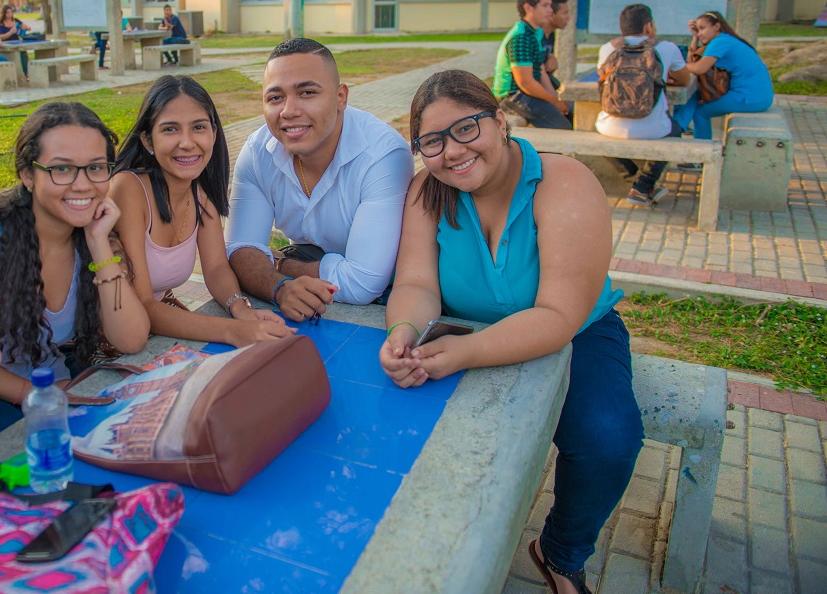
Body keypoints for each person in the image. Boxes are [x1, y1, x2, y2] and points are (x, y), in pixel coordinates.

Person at [381, 68, 642, 594]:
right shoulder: (426, 192)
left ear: (500, 122)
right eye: (431, 141)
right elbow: (414, 282)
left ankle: (560, 553)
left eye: (466, 129)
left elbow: (557, 315)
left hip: (575, 333)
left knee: (607, 438)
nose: (451, 151)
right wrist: (404, 330)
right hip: (464, 331)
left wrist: (467, 351)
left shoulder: (563, 180)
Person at [0, 102, 149, 434]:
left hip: (53, 404)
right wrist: (37, 396)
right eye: (61, 169)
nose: (82, 185)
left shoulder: (93, 240)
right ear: (27, 175)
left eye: (96, 168)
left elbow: (132, 339)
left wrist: (97, 241)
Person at [226, 38, 415, 317]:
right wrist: (280, 287)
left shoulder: (383, 155)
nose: (289, 111)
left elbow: (364, 284)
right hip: (307, 277)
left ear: (341, 97)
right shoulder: (258, 151)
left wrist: (278, 265)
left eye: (307, 93)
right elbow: (238, 251)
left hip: (387, 299)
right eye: (275, 98)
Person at [112, 76, 293, 347]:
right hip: (107, 338)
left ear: (214, 134)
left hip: (153, 332)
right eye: (170, 129)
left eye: (198, 127)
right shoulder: (128, 189)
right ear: (148, 141)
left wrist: (240, 309)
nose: (187, 142)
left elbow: (217, 268)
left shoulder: (199, 195)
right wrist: (233, 331)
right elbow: (143, 303)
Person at [595, 4, 691, 206]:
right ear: (649, 26)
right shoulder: (666, 48)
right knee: (675, 131)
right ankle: (642, 185)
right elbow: (685, 80)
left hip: (610, 126)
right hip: (653, 128)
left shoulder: (607, 49)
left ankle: (637, 183)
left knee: (595, 132)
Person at [674, 10, 775, 154]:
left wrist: (676, 68)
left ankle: (700, 154)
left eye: (703, 28)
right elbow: (693, 62)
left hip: (750, 98)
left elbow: (698, 68)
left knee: (701, 112)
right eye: (697, 29)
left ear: (716, 26)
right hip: (758, 96)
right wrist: (695, 38)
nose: (700, 33)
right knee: (696, 97)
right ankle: (678, 127)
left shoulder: (721, 42)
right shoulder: (724, 39)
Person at [493, 0, 572, 130]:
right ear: (528, 8)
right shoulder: (520, 37)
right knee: (562, 128)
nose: (550, 10)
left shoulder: (537, 33)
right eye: (545, 5)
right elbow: (525, 82)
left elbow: (541, 71)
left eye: (550, 5)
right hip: (512, 96)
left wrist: (556, 99)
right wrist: (554, 102)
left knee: (571, 113)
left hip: (527, 93)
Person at [541, 0, 569, 91]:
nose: (568, 17)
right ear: (551, 14)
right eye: (565, 13)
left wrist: (551, 57)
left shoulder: (550, 35)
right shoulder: (537, 35)